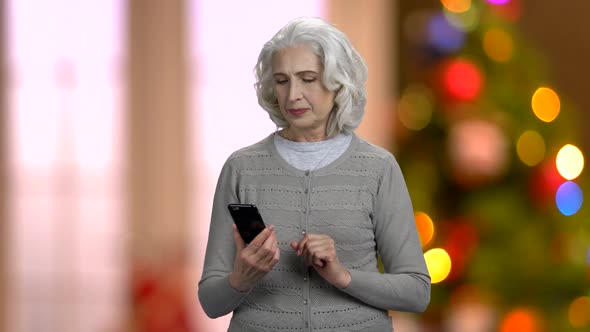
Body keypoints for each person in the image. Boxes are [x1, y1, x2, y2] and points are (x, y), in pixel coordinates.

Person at [198, 17, 430, 331]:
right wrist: (241, 278)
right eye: (281, 80)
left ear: (338, 83)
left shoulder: (377, 168)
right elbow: (211, 303)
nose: (293, 94)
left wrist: (341, 276)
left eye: (308, 78)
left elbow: (417, 293)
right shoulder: (241, 168)